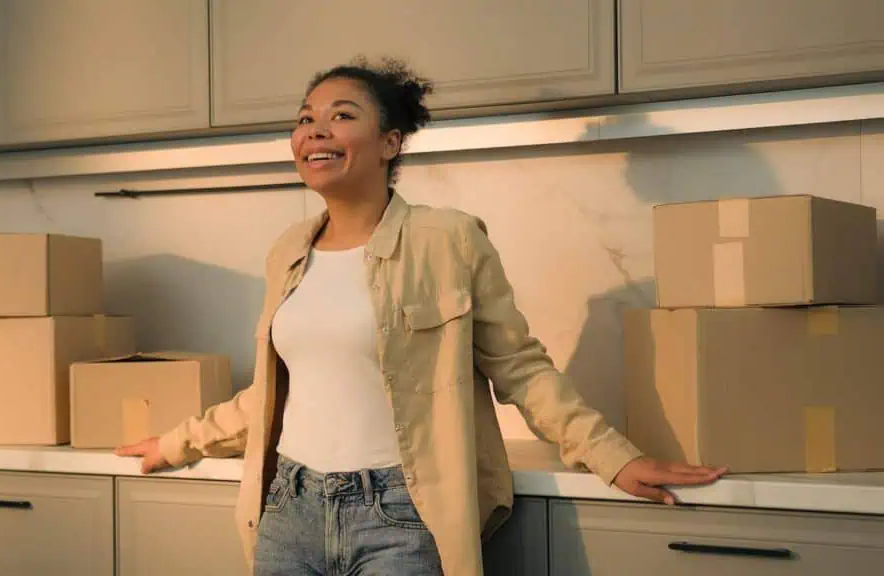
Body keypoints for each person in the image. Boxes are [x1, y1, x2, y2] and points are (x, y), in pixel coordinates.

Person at [116, 57, 727, 576]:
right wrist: (177, 442)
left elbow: (519, 367)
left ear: (390, 142)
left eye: (341, 116)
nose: (314, 131)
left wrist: (612, 456)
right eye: (305, 119)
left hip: (402, 514)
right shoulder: (288, 252)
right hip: (288, 508)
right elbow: (274, 394)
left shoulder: (449, 239)